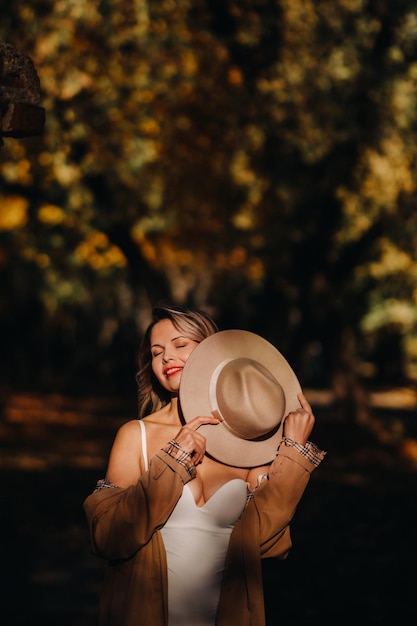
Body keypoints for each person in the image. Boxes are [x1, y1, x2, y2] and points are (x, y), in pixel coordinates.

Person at [83, 305, 325, 626]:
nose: (167, 357)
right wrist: (174, 460)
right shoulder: (136, 435)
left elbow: (266, 543)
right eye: (157, 352)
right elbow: (109, 537)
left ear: (212, 351)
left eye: (180, 345)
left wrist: (293, 454)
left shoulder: (249, 445)